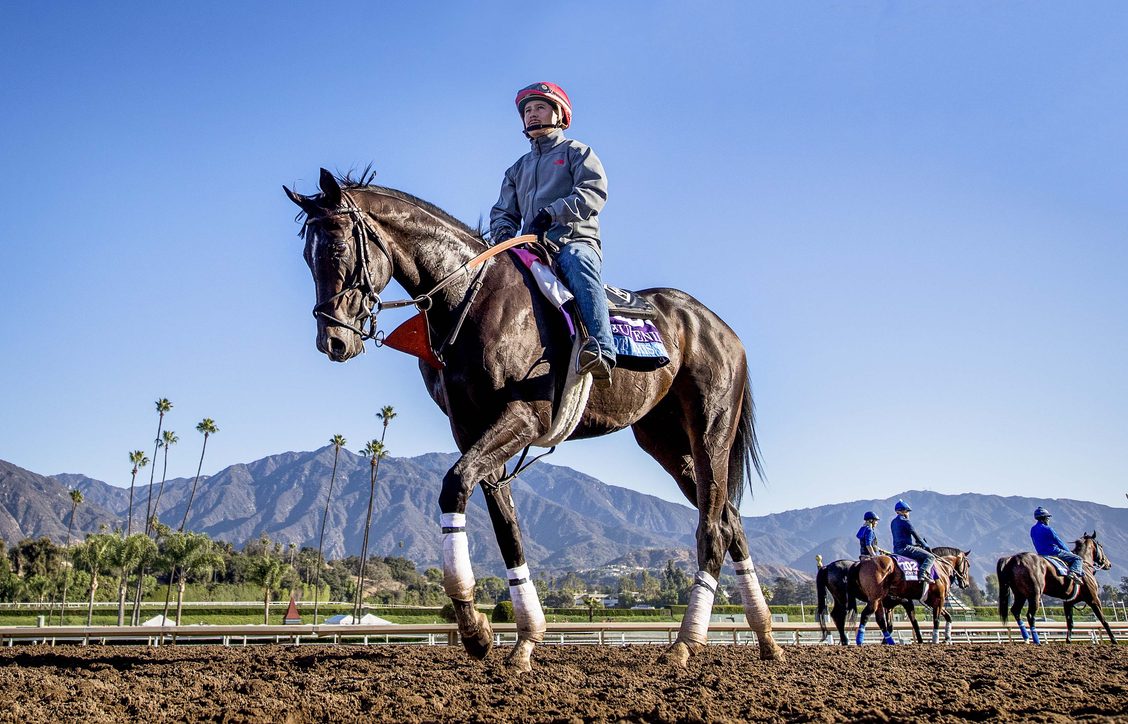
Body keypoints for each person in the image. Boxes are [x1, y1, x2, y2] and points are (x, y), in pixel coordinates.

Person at [490, 82, 616, 385]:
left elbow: (593, 192)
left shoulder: (577, 152)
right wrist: (504, 232)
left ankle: (602, 348)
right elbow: (503, 212)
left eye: (540, 107)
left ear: (560, 115)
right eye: (528, 110)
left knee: (577, 262)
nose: (532, 115)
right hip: (530, 247)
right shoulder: (516, 170)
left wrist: (552, 213)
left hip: (573, 240)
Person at [1030, 506, 1084, 583]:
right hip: (1054, 553)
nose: (1048, 519)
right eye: (1048, 517)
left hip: (1041, 554)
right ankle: (1073, 573)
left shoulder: (1033, 529)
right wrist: (1069, 552)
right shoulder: (1048, 529)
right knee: (1078, 559)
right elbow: (1059, 543)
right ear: (1044, 518)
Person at [890, 500, 934, 590]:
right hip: (906, 548)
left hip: (896, 550)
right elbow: (916, 535)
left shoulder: (893, 522)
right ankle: (923, 574)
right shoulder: (905, 521)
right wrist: (926, 546)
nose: (908, 514)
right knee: (930, 557)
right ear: (904, 511)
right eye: (907, 512)